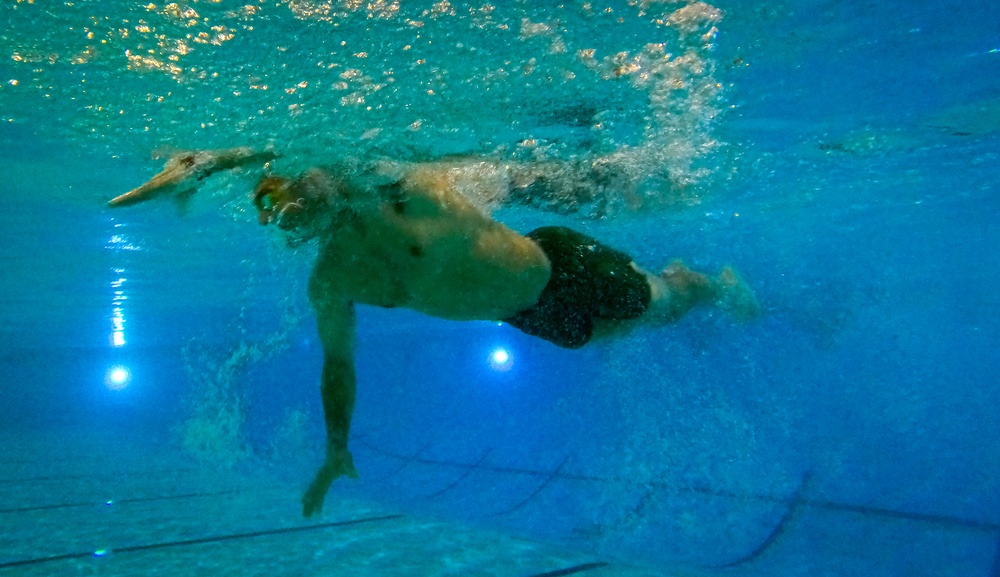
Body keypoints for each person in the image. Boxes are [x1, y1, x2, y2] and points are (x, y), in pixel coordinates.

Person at [108, 147, 760, 517]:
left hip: (557, 263)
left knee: (658, 302)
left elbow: (297, 147)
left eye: (283, 194)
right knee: (606, 336)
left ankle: (714, 283)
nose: (279, 214)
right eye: (265, 207)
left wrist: (208, 162)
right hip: (525, 313)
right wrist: (337, 447)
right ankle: (686, 284)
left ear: (316, 181)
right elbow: (338, 363)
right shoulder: (331, 279)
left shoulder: (396, 190)